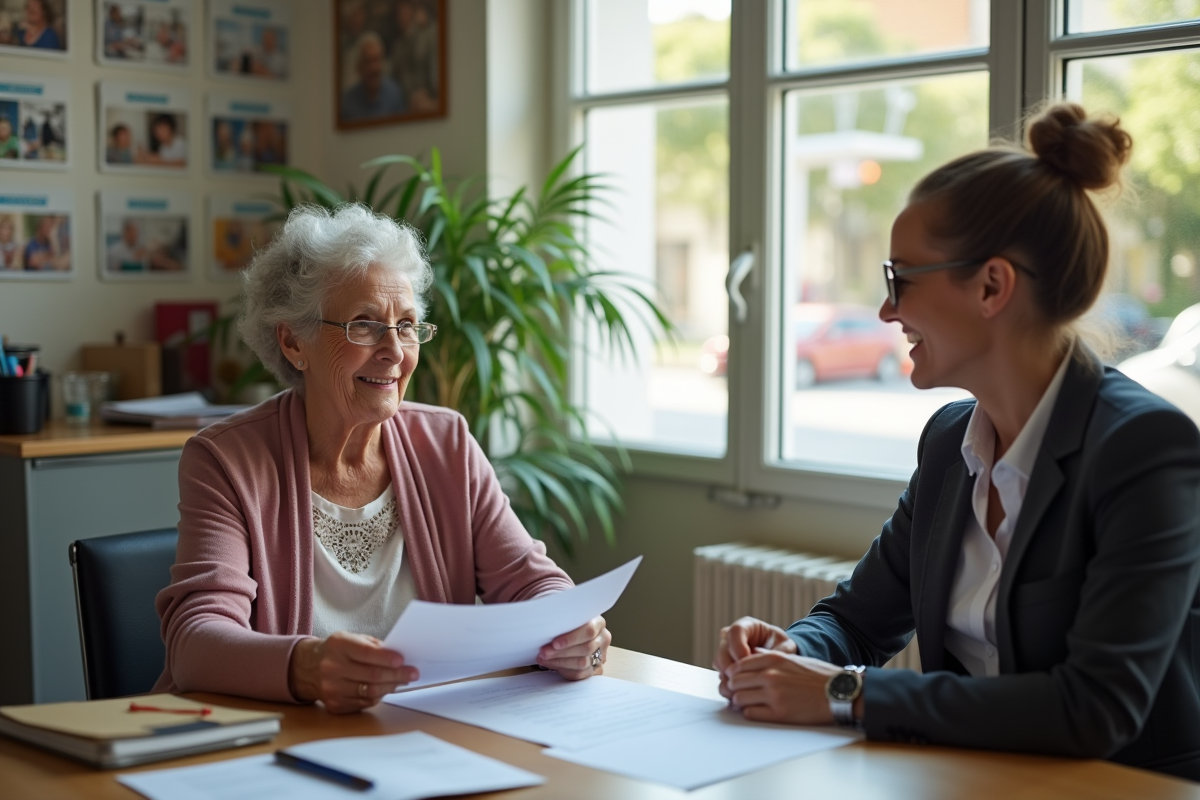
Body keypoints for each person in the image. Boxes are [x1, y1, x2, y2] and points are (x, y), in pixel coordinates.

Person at [715, 103, 1200, 781]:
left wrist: (844, 693)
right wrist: (795, 652)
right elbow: (858, 621)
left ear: (992, 286)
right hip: (971, 781)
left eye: (901, 279)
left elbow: (1095, 707)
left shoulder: (1143, 448)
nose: (886, 310)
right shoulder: (950, 442)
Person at [154, 204, 611, 712]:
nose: (395, 350)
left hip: (424, 735)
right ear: (293, 341)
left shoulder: (447, 443)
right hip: (280, 741)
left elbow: (531, 580)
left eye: (407, 325)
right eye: (365, 325)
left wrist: (572, 629)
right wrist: (306, 667)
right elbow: (195, 642)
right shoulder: (226, 460)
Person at [340, 32, 405, 123]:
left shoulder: (395, 94)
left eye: (377, 60)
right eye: (368, 62)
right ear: (359, 67)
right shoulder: (347, 102)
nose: (373, 68)